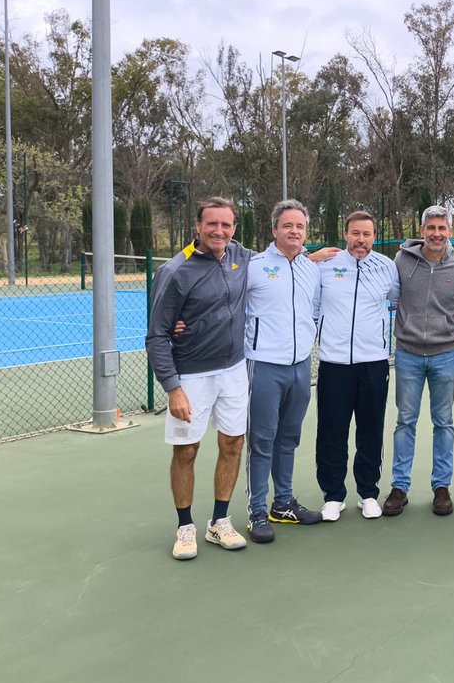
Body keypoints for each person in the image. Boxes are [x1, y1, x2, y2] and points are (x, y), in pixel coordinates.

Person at [146, 197, 251, 560]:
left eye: (226, 225)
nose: (219, 231)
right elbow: (157, 334)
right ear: (198, 226)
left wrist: (311, 256)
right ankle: (185, 527)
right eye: (212, 224)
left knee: (233, 445)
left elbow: (281, 259)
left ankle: (219, 521)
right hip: (190, 374)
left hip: (235, 369)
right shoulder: (175, 271)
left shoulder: (241, 257)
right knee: (187, 450)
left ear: (234, 228)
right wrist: (173, 388)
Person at [242, 199, 324, 544]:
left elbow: (314, 311)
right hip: (263, 365)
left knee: (289, 438)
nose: (294, 231)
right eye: (287, 225)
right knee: (261, 440)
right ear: (274, 229)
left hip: (300, 366)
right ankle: (257, 510)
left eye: (300, 226)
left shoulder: (311, 268)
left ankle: (283, 503)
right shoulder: (254, 266)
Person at [382, 206, 454, 517]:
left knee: (443, 422)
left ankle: (441, 487)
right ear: (422, 231)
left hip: (445, 355)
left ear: (450, 233)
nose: (436, 233)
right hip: (407, 354)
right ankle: (400, 487)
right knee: (405, 421)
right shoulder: (402, 259)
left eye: (442, 228)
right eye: (430, 228)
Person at [315, 210, 400, 522]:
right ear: (345, 233)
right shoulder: (325, 265)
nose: (360, 240)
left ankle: (367, 492)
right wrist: (311, 258)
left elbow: (397, 298)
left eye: (366, 234)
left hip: (374, 363)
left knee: (370, 430)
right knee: (331, 430)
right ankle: (333, 495)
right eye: (355, 233)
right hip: (334, 363)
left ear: (374, 237)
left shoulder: (387, 267)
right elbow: (308, 300)